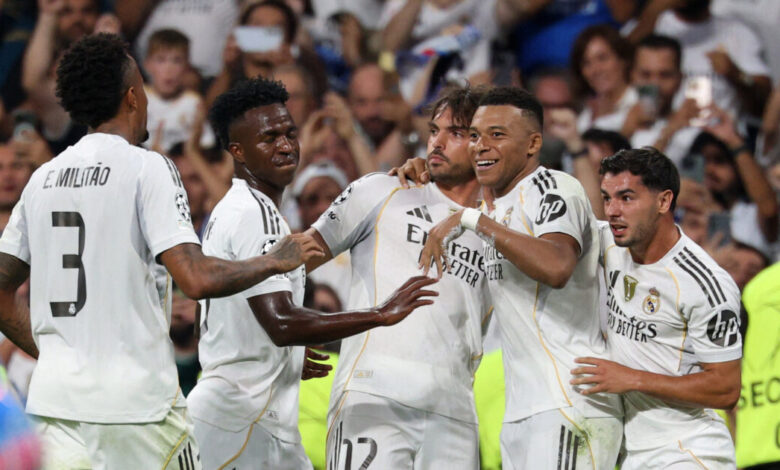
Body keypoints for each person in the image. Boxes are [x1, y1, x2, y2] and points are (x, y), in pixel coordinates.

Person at [0, 33, 325, 469]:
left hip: (54, 407)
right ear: (133, 97)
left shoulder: (44, 177)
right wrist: (274, 261)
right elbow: (196, 278)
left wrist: (60, 353)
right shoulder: (146, 166)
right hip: (136, 410)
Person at [187, 77, 437, 470]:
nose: (286, 146)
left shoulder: (235, 208)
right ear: (238, 150)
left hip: (245, 414)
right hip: (241, 419)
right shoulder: (255, 213)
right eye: (269, 138)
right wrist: (380, 314)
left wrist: (281, 358)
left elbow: (225, 314)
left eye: (290, 133)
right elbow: (282, 323)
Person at [419, 86, 623, 469]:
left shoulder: (554, 188)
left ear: (533, 144)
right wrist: (418, 170)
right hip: (524, 409)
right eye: (475, 135)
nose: (481, 146)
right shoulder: (497, 208)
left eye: (497, 134)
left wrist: (473, 220)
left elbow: (557, 266)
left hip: (569, 399)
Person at [305, 85, 492, 468]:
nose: (437, 142)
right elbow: (298, 257)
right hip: (372, 393)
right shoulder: (382, 190)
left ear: (483, 144)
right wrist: (287, 332)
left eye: (455, 133)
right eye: (434, 130)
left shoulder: (500, 226)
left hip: (454, 409)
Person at [572, 147, 741, 468]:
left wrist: (632, 379)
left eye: (626, 198)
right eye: (607, 198)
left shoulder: (705, 284)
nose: (612, 211)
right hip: (633, 452)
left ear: (664, 201)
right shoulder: (610, 243)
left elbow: (725, 388)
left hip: (686, 450)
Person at [621, 34, 701, 167]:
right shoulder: (608, 124)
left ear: (680, 79)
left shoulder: (694, 133)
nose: (655, 85)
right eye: (646, 75)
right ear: (632, 76)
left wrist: (671, 130)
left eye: (665, 75)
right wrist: (624, 134)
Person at [143, 28, 215, 154]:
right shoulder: (138, 99)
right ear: (147, 65)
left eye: (177, 61)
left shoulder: (193, 103)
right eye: (161, 60)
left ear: (187, 66)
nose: (169, 69)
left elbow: (206, 144)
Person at [570, 24, 637, 133]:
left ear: (623, 60)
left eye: (602, 58)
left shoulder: (640, 104)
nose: (595, 70)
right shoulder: (586, 116)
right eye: (586, 63)